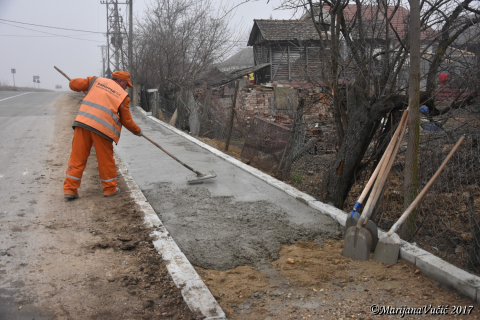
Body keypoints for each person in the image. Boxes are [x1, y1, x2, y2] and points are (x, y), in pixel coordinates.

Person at [63, 71, 142, 200]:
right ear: (120, 81)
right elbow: (127, 121)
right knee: (105, 160)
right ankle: (110, 189)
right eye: (126, 84)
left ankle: (70, 189)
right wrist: (137, 131)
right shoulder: (123, 96)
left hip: (83, 123)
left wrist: (76, 84)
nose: (126, 87)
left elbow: (74, 84)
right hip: (102, 130)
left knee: (77, 158)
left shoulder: (96, 81)